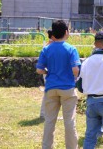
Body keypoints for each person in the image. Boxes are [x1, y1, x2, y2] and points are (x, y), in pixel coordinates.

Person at [35, 20, 81, 149]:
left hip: (51, 87)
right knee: (69, 122)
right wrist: (74, 78)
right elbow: (75, 69)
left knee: (49, 121)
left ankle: (47, 146)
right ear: (66, 32)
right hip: (67, 88)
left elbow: (39, 70)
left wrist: (47, 72)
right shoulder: (71, 49)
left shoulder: (46, 49)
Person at [39, 30, 55, 120]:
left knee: (48, 93)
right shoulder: (49, 46)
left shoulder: (47, 46)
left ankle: (45, 113)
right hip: (49, 73)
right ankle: (44, 114)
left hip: (47, 72)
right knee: (47, 94)